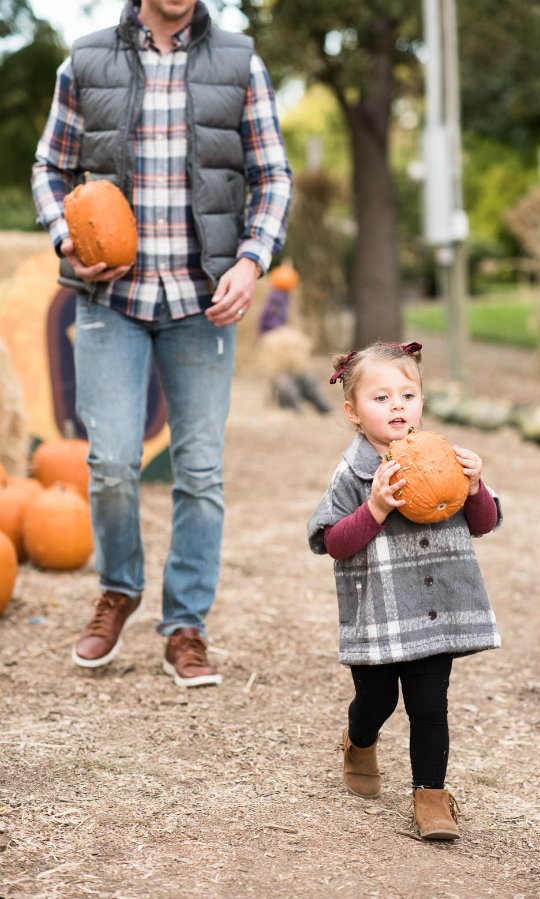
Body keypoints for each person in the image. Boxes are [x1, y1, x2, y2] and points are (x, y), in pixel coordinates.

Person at [32, 0, 292, 686]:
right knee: (112, 461)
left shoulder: (240, 62)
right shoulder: (85, 60)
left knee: (200, 471)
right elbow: (48, 169)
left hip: (203, 304)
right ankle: (119, 588)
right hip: (109, 300)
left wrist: (250, 261)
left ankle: (186, 624)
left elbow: (272, 179)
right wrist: (65, 236)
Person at [307, 343, 502, 839]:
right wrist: (375, 507)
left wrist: (477, 487)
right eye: (381, 397)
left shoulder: (445, 459)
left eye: (407, 394)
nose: (397, 405)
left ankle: (431, 799)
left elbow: (484, 523)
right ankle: (359, 739)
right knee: (377, 700)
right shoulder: (352, 473)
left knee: (429, 705)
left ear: (421, 401)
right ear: (352, 411)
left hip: (435, 612)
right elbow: (333, 542)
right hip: (380, 611)